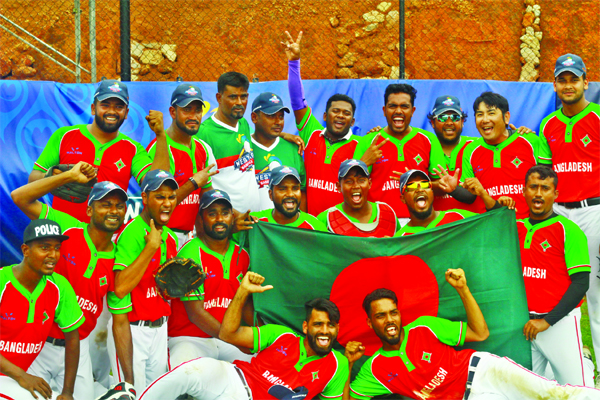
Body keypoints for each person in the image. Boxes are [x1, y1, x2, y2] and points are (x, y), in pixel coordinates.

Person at [345, 272, 600, 400]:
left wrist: (463, 289)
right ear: (370, 322)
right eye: (381, 316)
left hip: (483, 370)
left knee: (550, 394)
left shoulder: (422, 327)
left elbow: (480, 332)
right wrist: (347, 365)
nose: (390, 320)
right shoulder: (375, 369)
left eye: (393, 313)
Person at [10, 163, 135, 399]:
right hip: (38, 344)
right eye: (105, 204)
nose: (113, 210)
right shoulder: (68, 229)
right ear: (89, 210)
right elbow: (20, 197)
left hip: (77, 349)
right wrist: (68, 176)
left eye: (119, 206)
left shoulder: (119, 259)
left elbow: (120, 322)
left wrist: (129, 381)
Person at [138, 272, 350, 400]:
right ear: (306, 327)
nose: (324, 331)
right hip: (233, 379)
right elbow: (227, 334)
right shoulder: (283, 335)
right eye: (318, 324)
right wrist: (242, 292)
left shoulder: (337, 365)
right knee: (189, 371)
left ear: (337, 329)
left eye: (330, 325)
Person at [107, 168, 211, 393]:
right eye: (160, 196)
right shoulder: (132, 233)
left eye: (171, 197)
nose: (167, 203)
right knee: (130, 394)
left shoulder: (172, 238)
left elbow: (164, 289)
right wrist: (151, 246)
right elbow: (121, 287)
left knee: (158, 395)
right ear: (144, 198)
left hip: (160, 328)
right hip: (133, 330)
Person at [538, 53, 600, 382]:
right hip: (559, 213)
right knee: (557, 290)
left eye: (573, 79)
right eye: (562, 79)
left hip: (595, 211)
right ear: (554, 85)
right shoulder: (548, 124)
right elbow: (546, 176)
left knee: (596, 295)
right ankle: (565, 363)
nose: (568, 85)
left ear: (585, 83)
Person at [29, 79, 169, 222]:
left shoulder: (132, 149)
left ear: (126, 113)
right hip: (64, 233)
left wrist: (161, 135)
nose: (112, 111)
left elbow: (158, 184)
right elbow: (33, 178)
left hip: (109, 236)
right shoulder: (64, 136)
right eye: (105, 105)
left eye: (119, 107)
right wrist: (59, 178)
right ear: (93, 108)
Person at [518, 165, 593, 386]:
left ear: (555, 194)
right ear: (524, 191)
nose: (538, 193)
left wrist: (547, 321)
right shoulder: (515, 226)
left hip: (558, 323)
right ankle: (553, 366)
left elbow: (581, 283)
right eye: (533, 187)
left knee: (578, 392)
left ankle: (584, 363)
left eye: (545, 188)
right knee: (522, 390)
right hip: (525, 325)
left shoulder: (569, 230)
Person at [168, 189, 254, 368]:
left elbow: (245, 304)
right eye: (212, 214)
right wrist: (234, 340)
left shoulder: (242, 255)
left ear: (232, 216)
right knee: (184, 372)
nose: (220, 219)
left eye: (225, 213)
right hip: (190, 338)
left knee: (258, 365)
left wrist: (258, 335)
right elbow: (196, 314)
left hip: (226, 338)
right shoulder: (190, 254)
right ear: (201, 218)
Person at [0, 219, 84, 400]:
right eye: (45, 247)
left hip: (18, 376)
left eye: (57, 248)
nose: (53, 255)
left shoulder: (59, 286)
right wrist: (21, 376)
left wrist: (67, 391)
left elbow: (72, 337)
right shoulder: (2, 281)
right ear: (25, 250)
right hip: (14, 376)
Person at [282, 31, 361, 216]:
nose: (340, 116)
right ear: (325, 116)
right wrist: (294, 62)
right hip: (312, 227)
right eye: (335, 111)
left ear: (353, 121)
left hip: (344, 228)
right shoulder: (312, 134)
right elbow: (297, 101)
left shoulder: (360, 145)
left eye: (346, 113)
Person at [353, 83, 447, 225]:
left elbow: (442, 187)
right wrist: (364, 163)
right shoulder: (368, 141)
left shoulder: (429, 139)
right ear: (384, 110)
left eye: (404, 106)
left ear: (412, 110)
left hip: (419, 223)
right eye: (392, 106)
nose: (398, 111)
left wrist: (416, 184)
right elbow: (351, 187)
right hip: (379, 222)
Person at [146, 83, 216, 247]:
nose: (193, 116)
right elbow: (158, 202)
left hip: (191, 238)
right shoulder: (159, 148)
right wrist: (193, 183)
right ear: (172, 112)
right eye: (187, 110)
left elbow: (207, 200)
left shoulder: (203, 148)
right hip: (162, 235)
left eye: (198, 110)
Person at [459, 91, 539, 219]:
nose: (485, 120)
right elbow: (469, 195)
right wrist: (452, 188)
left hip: (527, 227)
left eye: (491, 113)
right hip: (489, 228)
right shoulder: (470, 150)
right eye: (480, 115)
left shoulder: (530, 141)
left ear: (506, 117)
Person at [197, 72, 261, 213]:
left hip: (252, 219)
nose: (239, 102)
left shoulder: (242, 123)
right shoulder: (204, 133)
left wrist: (285, 135)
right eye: (233, 97)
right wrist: (231, 214)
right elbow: (200, 187)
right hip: (225, 223)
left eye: (243, 96)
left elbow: (258, 135)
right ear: (219, 98)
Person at [395, 169, 513, 236]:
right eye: (411, 186)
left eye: (426, 185)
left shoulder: (458, 217)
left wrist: (484, 195)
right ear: (403, 198)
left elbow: (499, 225)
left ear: (432, 192)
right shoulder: (400, 238)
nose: (420, 189)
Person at [250, 92, 306, 212]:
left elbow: (302, 189)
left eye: (281, 116)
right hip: (252, 225)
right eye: (271, 116)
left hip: (286, 226)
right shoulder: (243, 147)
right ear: (254, 117)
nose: (278, 121)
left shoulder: (293, 149)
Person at [318, 159, 400, 237]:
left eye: (361, 180)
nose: (356, 186)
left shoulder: (388, 214)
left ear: (369, 183)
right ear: (339, 186)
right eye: (349, 181)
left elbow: (401, 249)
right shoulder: (326, 219)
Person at [247, 166, 326, 231]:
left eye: (295, 188)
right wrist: (235, 227)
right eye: (282, 189)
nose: (290, 194)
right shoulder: (254, 222)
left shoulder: (316, 227)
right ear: (271, 195)